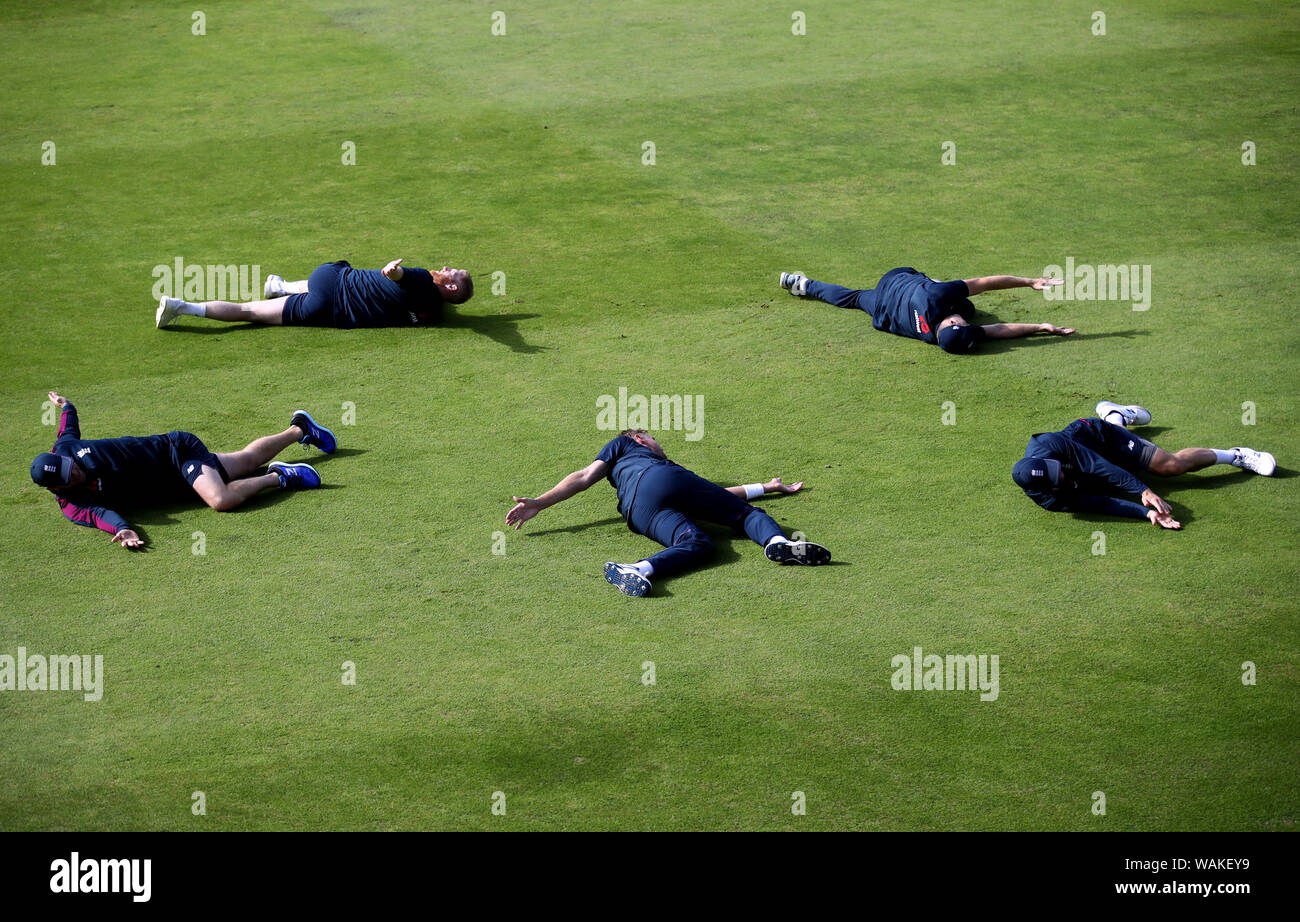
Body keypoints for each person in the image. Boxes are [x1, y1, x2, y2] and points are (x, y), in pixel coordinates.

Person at [505, 429, 831, 596]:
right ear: (638, 438)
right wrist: (540, 500)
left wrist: (766, 486)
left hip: (636, 512)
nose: (659, 444)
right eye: (654, 438)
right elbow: (582, 477)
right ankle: (777, 543)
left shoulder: (628, 469)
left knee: (698, 542)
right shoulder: (629, 446)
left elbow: (716, 497)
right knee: (745, 516)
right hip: (662, 481)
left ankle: (639, 569)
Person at [30, 392, 336, 549]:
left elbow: (67, 428)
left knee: (221, 500)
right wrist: (122, 529)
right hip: (174, 483)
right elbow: (100, 515)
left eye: (71, 468)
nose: (76, 472)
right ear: (56, 489)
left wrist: (66, 405)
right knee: (245, 460)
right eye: (69, 477)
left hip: (177, 451)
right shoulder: (73, 505)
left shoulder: (67, 451)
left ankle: (279, 477)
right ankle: (300, 429)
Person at [1012, 400, 1277, 529]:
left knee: (1169, 466)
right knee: (1106, 487)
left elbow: (1100, 465)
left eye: (1054, 468)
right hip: (1091, 469)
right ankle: (1116, 414)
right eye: (1054, 478)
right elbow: (1098, 504)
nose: (1057, 473)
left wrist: (1143, 491)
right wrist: (1146, 513)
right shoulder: (1047, 499)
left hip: (1099, 437)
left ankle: (1237, 455)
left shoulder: (1048, 446)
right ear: (1045, 488)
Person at [778, 267, 1072, 353]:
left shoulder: (939, 306)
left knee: (967, 304)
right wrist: (1040, 327)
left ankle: (802, 284)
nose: (963, 323)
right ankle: (803, 284)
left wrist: (1030, 282)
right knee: (854, 298)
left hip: (895, 284)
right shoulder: (937, 334)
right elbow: (995, 326)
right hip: (886, 307)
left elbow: (982, 284)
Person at [155, 258, 472, 330]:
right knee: (247, 311)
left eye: (452, 272)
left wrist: (393, 272)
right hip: (326, 310)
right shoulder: (433, 314)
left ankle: (280, 286)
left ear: (452, 287)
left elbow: (402, 277)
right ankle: (181, 308)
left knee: (335, 271)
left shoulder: (419, 278)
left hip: (329, 279)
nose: (445, 267)